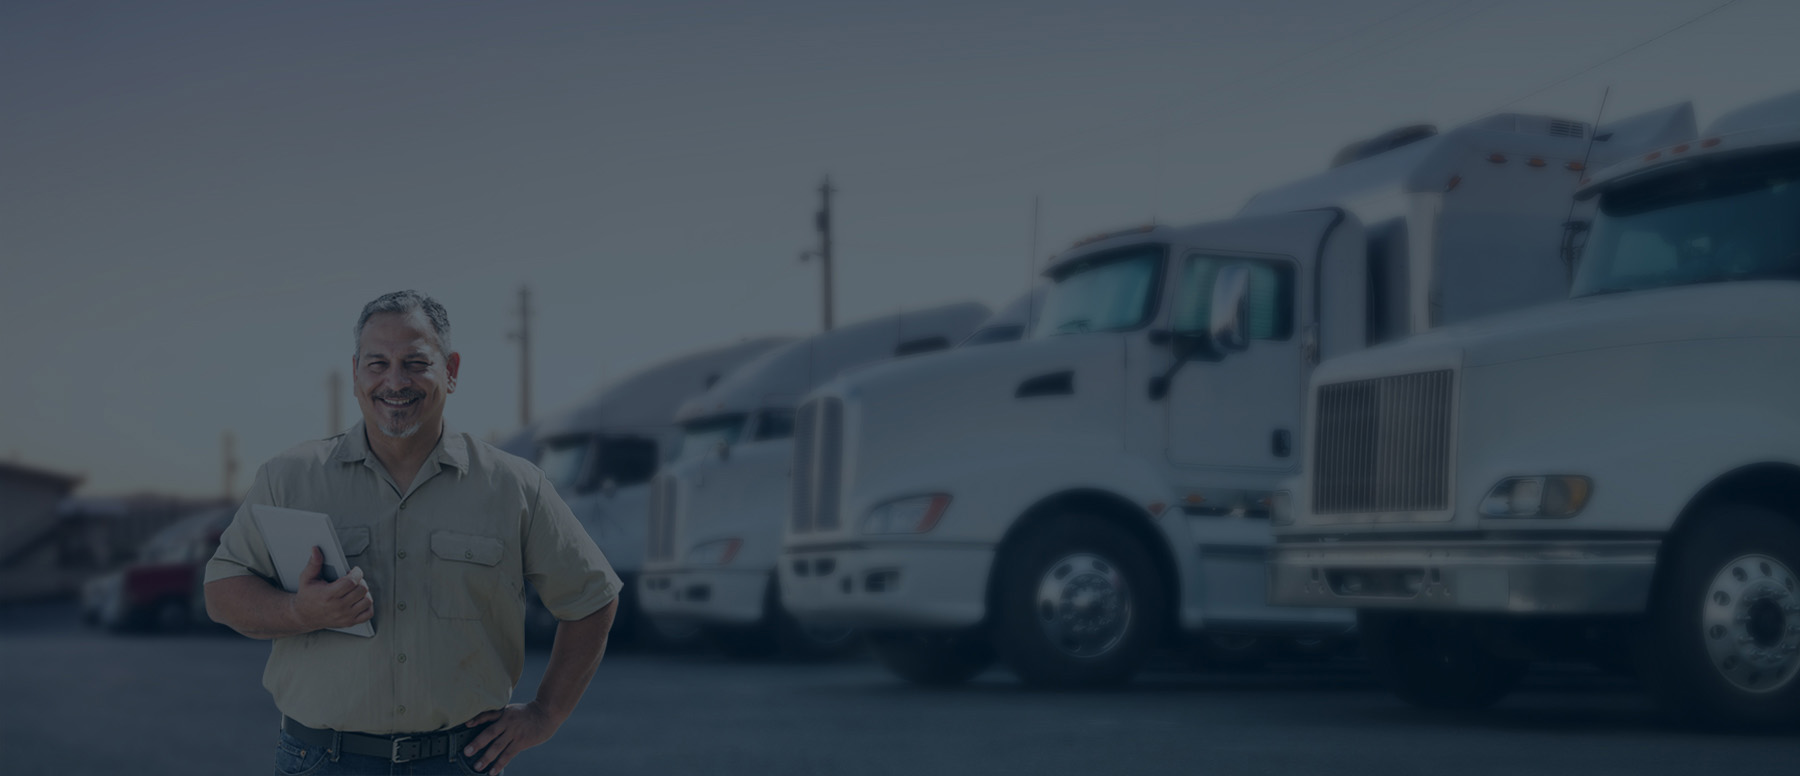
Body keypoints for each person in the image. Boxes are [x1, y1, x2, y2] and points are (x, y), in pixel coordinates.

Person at [204, 290, 620, 775]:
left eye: (415, 363)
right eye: (377, 363)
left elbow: (593, 597)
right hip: (322, 761)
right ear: (357, 372)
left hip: (458, 762)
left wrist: (546, 714)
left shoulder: (514, 486)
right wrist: (299, 610)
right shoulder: (289, 477)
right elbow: (222, 591)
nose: (394, 381)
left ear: (451, 370)